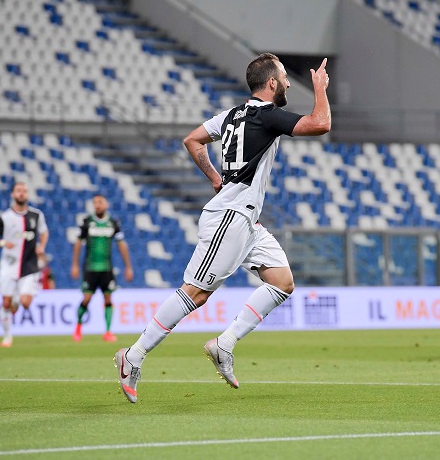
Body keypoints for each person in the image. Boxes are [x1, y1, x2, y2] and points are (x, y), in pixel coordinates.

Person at [114, 53, 331, 403]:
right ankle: (133, 355)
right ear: (272, 83)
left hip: (245, 219)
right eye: (285, 77)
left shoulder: (230, 116)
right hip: (230, 215)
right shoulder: (268, 115)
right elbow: (321, 124)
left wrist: (216, 178)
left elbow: (192, 140)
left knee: (282, 281)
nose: (290, 83)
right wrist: (319, 89)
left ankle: (224, 344)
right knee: (196, 293)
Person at [0, 182, 48, 347]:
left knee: (25, 302)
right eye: (18, 191)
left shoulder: (36, 215)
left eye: (24, 191)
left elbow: (44, 232)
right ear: (13, 194)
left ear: (27, 195)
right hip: (9, 265)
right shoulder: (5, 217)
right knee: (6, 303)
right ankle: (7, 336)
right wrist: (2, 243)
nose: (21, 194)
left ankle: (16, 299)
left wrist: (41, 246)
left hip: (29, 265)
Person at [71, 194, 134, 342]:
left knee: (108, 299)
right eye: (95, 202)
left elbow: (121, 244)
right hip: (90, 268)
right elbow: (78, 243)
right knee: (86, 299)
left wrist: (128, 266)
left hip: (106, 268)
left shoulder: (112, 223)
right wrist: (74, 264)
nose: (97, 205)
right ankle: (78, 326)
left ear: (106, 205)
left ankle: (107, 331)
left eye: (100, 202)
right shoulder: (87, 222)